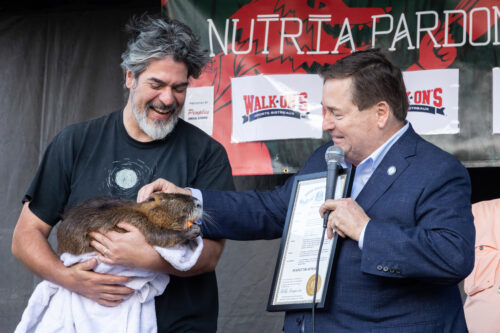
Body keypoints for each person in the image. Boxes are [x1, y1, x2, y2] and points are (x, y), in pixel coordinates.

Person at [139, 49, 475, 332]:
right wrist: (188, 203)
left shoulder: (438, 171)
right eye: (324, 111)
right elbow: (270, 210)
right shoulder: (326, 158)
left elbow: (452, 256)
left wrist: (366, 231)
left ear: (381, 113)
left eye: (336, 113)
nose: (325, 123)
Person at [11, 15, 234, 333]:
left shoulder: (207, 154)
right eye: (156, 84)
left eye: (179, 88)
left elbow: (210, 253)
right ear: (130, 76)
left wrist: (143, 257)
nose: (168, 99)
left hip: (181, 323)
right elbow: (25, 237)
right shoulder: (76, 142)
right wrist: (71, 279)